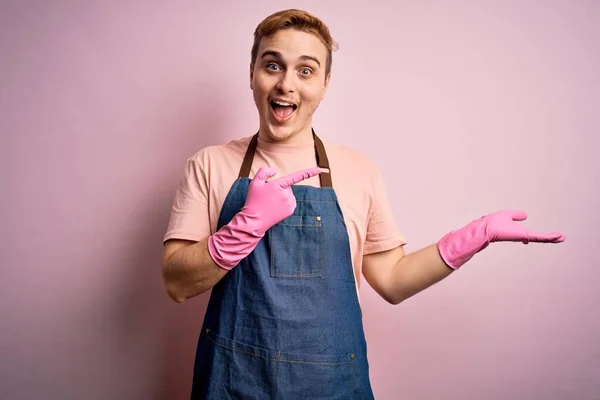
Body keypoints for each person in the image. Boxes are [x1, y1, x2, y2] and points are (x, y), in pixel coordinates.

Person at [161, 8, 565, 399]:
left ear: (324, 83)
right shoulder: (210, 165)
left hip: (333, 386)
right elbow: (177, 283)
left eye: (306, 70)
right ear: (252, 74)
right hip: (233, 383)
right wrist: (245, 225)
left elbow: (391, 280)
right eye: (272, 65)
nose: (287, 84)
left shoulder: (358, 170)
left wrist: (473, 237)